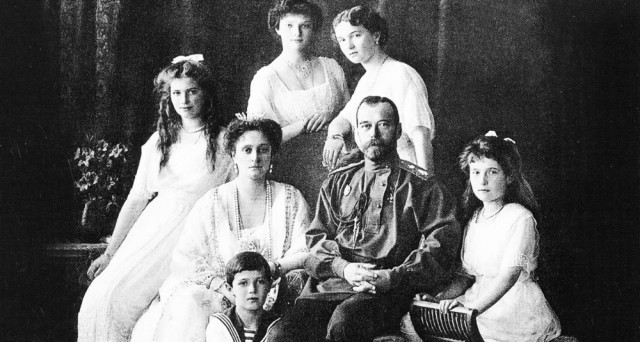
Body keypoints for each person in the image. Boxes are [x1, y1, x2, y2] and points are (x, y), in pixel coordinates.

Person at [267, 96, 461, 342]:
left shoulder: (422, 186)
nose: (375, 134)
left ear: (398, 130)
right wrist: (343, 268)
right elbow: (316, 240)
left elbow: (441, 245)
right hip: (333, 284)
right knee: (280, 335)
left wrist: (393, 276)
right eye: (366, 126)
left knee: (343, 324)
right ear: (357, 131)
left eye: (384, 125)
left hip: (388, 290)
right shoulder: (338, 181)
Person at [77, 54, 234, 342]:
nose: (184, 100)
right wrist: (110, 253)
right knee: (101, 298)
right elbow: (137, 198)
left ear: (206, 94)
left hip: (196, 234)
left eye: (192, 91)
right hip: (153, 230)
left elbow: (234, 197)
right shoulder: (159, 141)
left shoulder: (225, 142)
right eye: (176, 93)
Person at [130, 118, 310, 342]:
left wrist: (273, 268)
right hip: (220, 292)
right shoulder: (213, 201)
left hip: (270, 291)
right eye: (247, 150)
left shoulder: (290, 198)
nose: (255, 158)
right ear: (234, 155)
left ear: (272, 155)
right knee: (190, 301)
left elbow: (305, 249)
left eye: (263, 150)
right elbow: (187, 257)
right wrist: (223, 288)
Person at [433, 131, 561, 341]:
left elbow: (508, 277)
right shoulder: (475, 218)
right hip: (476, 298)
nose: (482, 180)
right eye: (475, 172)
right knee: (411, 324)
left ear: (509, 176)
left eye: (492, 172)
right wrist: (440, 299)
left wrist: (472, 308)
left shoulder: (520, 218)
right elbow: (466, 276)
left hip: (511, 307)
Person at [246, 0, 350, 207]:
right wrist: (302, 125)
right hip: (292, 169)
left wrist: (332, 119)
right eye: (289, 26)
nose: (297, 33)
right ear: (277, 29)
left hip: (338, 166)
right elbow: (259, 138)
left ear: (314, 29)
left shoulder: (332, 67)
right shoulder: (266, 78)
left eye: (305, 25)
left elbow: (351, 113)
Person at [323, 5, 436, 175]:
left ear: (376, 35)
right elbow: (343, 119)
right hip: (377, 173)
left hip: (406, 173)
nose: (349, 45)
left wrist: (425, 184)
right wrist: (335, 137)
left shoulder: (400, 72)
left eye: (356, 35)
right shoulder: (366, 80)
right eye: (342, 40)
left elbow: (420, 134)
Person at [206, 251, 279, 342]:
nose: (252, 289)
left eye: (260, 282)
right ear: (230, 288)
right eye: (243, 283)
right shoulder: (220, 326)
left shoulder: (278, 326)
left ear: (269, 285)